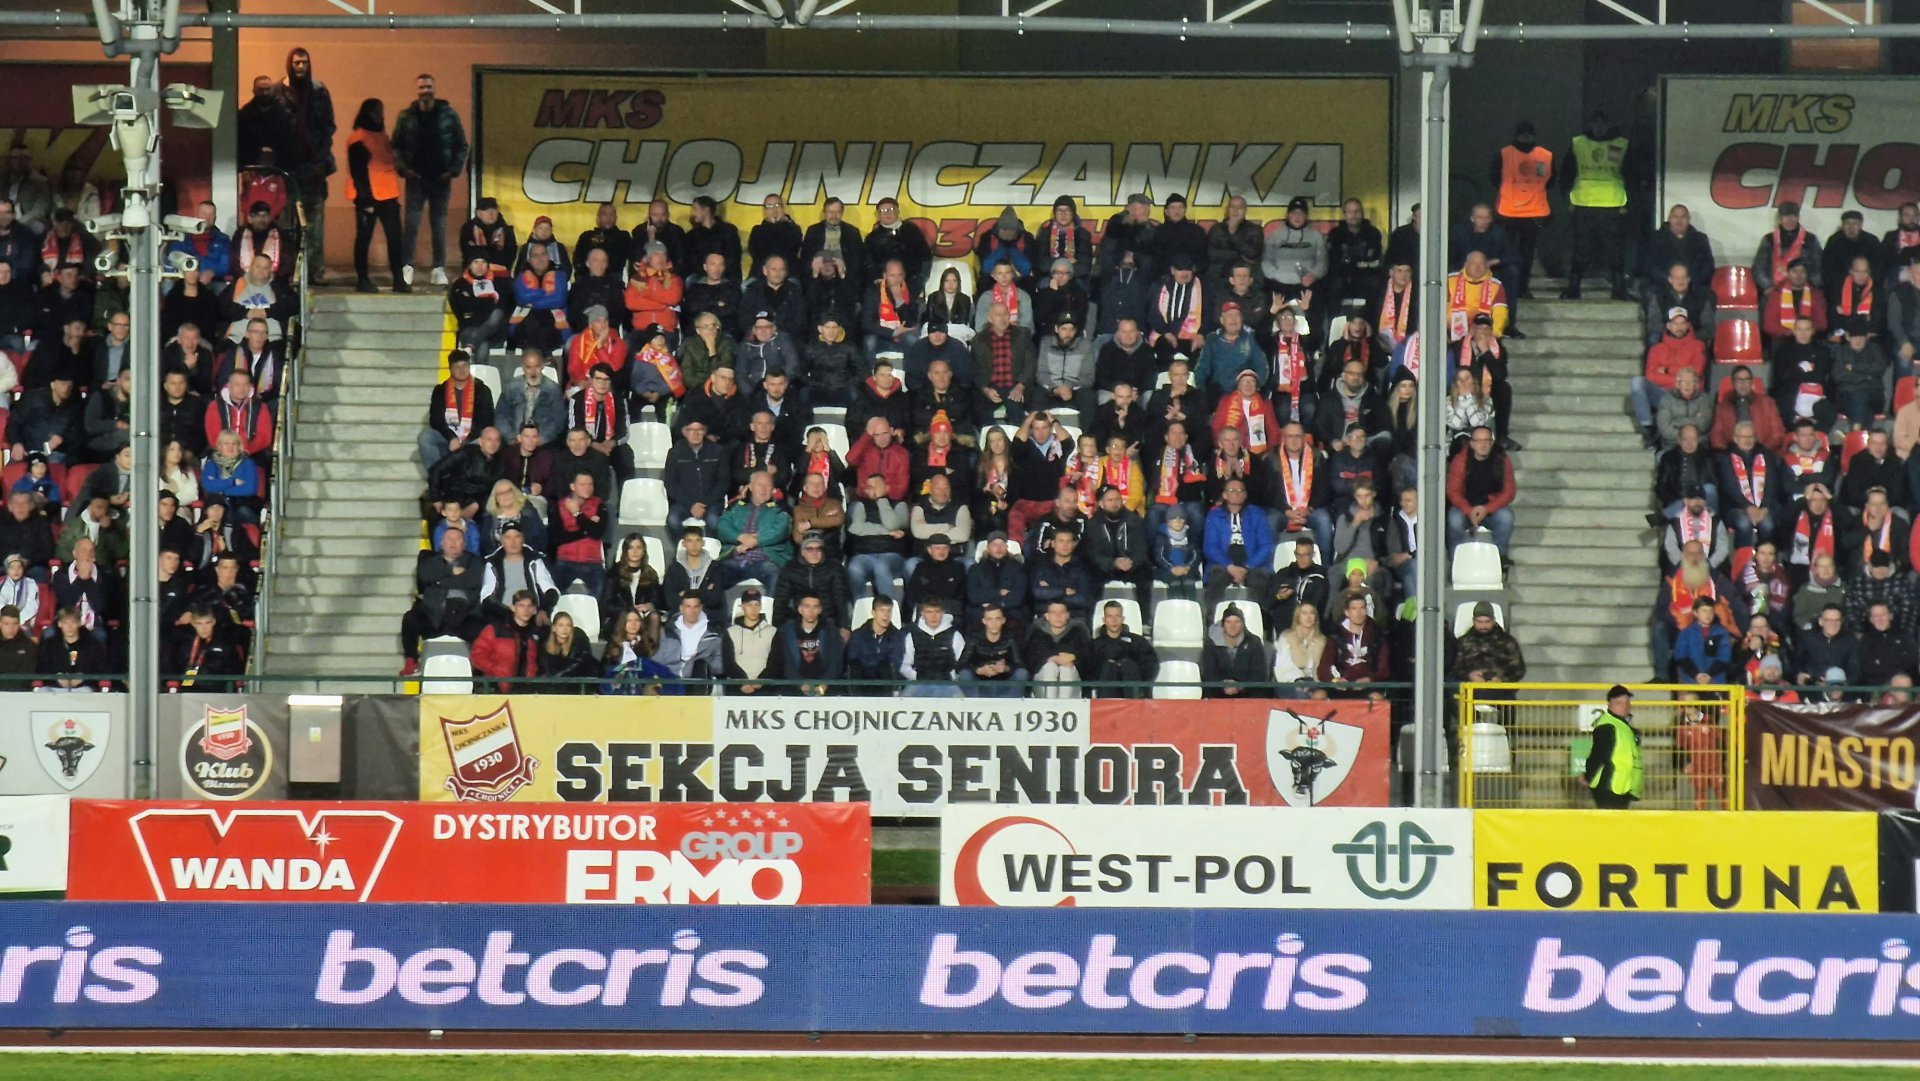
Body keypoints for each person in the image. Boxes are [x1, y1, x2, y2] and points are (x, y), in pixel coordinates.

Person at [1558, 110, 1630, 300]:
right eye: (1596, 123)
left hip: (1612, 204)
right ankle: (1574, 287)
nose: (1599, 127)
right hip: (1584, 203)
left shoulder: (1621, 144)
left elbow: (1632, 174)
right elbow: (1567, 172)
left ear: (1608, 124)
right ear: (1590, 124)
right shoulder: (1579, 143)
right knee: (1581, 249)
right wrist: (1566, 197)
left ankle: (1618, 288)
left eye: (1602, 123)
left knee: (1614, 251)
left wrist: (1629, 202)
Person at [279, 47, 336, 283]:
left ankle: (314, 272)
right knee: (286, 225)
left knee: (314, 224)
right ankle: (288, 272)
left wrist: (320, 160)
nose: (300, 67)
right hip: (286, 170)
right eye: (297, 63)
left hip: (314, 169)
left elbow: (328, 127)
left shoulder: (319, 91)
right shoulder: (279, 92)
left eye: (304, 62)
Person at [397, 527, 481, 675]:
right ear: (442, 543)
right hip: (434, 615)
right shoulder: (430, 562)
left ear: (464, 543)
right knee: (410, 619)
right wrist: (452, 572)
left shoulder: (475, 562)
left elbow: (472, 581)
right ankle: (411, 661)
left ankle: (478, 670)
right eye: (449, 539)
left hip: (464, 616)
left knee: (483, 626)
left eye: (457, 539)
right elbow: (424, 576)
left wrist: (439, 581)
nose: (453, 543)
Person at [345, 98, 405, 293]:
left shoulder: (382, 136)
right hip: (369, 198)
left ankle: (399, 279)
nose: (381, 115)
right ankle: (362, 280)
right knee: (364, 240)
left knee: (395, 239)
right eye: (377, 111)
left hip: (388, 195)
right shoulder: (358, 138)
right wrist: (365, 200)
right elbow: (358, 172)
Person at [1492, 120, 1553, 308]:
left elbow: (1550, 179)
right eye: (1523, 134)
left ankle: (1521, 287)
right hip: (1511, 212)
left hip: (1530, 212)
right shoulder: (1506, 154)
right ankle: (1510, 287)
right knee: (1510, 253)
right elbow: (1494, 176)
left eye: (1528, 134)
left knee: (1526, 254)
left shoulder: (1543, 155)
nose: (1526, 138)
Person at [1204, 477, 1274, 612]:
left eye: (1241, 490)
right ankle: (1212, 619)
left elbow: (1266, 546)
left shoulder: (1256, 514)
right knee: (1216, 578)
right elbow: (1210, 547)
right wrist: (1230, 566)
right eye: (1232, 490)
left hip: (1252, 564)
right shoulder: (1214, 515)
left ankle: (1263, 621)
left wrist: (1247, 567)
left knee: (1260, 580)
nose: (1237, 493)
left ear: (1246, 494)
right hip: (1223, 564)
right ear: (1224, 495)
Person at [418, 350, 494, 474]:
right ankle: (438, 475)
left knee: (489, 439)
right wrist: (451, 438)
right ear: (450, 369)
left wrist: (467, 440)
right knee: (426, 437)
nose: (461, 370)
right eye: (457, 366)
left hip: (474, 437)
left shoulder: (482, 390)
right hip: (448, 436)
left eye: (465, 365)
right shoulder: (440, 390)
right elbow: (436, 420)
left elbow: (487, 420)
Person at [1446, 426, 1515, 556]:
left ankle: (1500, 557)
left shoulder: (1502, 459)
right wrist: (1468, 510)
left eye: (1487, 441)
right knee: (1455, 520)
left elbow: (1509, 491)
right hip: (1465, 506)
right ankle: (1455, 559)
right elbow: (1453, 491)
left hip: (1491, 507)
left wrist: (1487, 509)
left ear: (1492, 442)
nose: (1483, 445)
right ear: (1472, 443)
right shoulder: (1460, 460)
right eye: (1479, 441)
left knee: (1506, 518)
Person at [1583, 685, 1643, 809]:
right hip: (1609, 786)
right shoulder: (1608, 726)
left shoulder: (1621, 725)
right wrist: (1587, 776)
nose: (1625, 706)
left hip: (1620, 786)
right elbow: (1598, 755)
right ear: (1609, 704)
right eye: (1619, 703)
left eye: (1627, 703)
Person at [774, 592, 842, 696]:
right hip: (794, 688)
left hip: (825, 689)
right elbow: (786, 664)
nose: (811, 611)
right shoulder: (787, 631)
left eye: (815, 607)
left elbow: (835, 662)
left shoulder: (830, 630)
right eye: (807, 606)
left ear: (820, 610)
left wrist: (824, 685)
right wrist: (800, 684)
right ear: (800, 609)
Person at [1087, 599, 1155, 698]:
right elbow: (1089, 671)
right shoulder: (1095, 645)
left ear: (1122, 619)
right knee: (1107, 667)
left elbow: (1150, 665)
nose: (1114, 620)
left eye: (1117, 616)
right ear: (1104, 620)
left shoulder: (1138, 642)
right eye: (1110, 616)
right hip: (1105, 698)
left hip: (1134, 696)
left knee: (1129, 666)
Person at [956, 602, 1026, 698]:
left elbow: (1020, 664)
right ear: (984, 621)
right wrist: (978, 670)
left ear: (1003, 620)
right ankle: (974, 704)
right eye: (990, 619)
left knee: (1022, 673)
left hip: (1005, 683)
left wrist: (1005, 668)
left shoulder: (1010, 638)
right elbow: (960, 665)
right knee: (964, 674)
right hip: (979, 684)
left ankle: (1011, 704)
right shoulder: (974, 638)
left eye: (998, 619)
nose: (994, 623)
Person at [899, 595, 963, 696]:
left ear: (942, 613)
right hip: (918, 683)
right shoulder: (912, 635)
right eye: (929, 612)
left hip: (948, 683)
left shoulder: (955, 635)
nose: (933, 616)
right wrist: (917, 676)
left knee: (960, 700)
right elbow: (904, 665)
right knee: (904, 700)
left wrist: (950, 676)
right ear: (922, 614)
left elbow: (962, 664)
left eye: (937, 612)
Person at [1025, 599, 1090, 699]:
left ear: (1067, 615)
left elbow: (1088, 659)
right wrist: (1051, 659)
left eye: (1062, 612)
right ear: (1047, 616)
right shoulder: (1037, 633)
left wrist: (1074, 657)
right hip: (1042, 682)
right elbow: (1031, 661)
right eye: (1054, 612)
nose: (1058, 616)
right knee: (1050, 667)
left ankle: (1064, 705)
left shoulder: (1078, 632)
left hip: (1073, 682)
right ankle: (1051, 705)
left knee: (1066, 668)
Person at [656, 591, 723, 685]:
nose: (692, 611)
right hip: (670, 680)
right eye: (688, 606)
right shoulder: (667, 631)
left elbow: (719, 661)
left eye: (696, 606)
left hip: (700, 682)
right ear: (681, 608)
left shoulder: (714, 633)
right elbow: (658, 659)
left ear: (701, 608)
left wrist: (703, 666)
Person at [1202, 604, 1267, 699]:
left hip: (1247, 693)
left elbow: (1259, 673)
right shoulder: (1211, 643)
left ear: (1243, 624)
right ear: (1223, 624)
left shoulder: (1254, 642)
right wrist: (1222, 684)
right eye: (1228, 622)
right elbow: (1209, 672)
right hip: (1218, 692)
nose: (1232, 626)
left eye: (1237, 622)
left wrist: (1240, 686)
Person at [721, 587, 777, 695]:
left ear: (761, 606)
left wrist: (761, 681)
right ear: (742, 607)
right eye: (749, 605)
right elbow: (728, 663)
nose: (753, 609)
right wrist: (743, 682)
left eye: (756, 605)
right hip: (737, 689)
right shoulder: (731, 632)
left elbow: (775, 662)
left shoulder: (772, 632)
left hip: (765, 690)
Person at [844, 593, 906, 690]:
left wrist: (872, 661)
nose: (886, 615)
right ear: (873, 613)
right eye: (882, 610)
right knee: (856, 669)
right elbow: (852, 659)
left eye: (889, 611)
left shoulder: (897, 636)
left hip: (885, 683)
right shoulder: (858, 635)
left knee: (885, 668)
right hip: (861, 682)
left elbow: (895, 662)